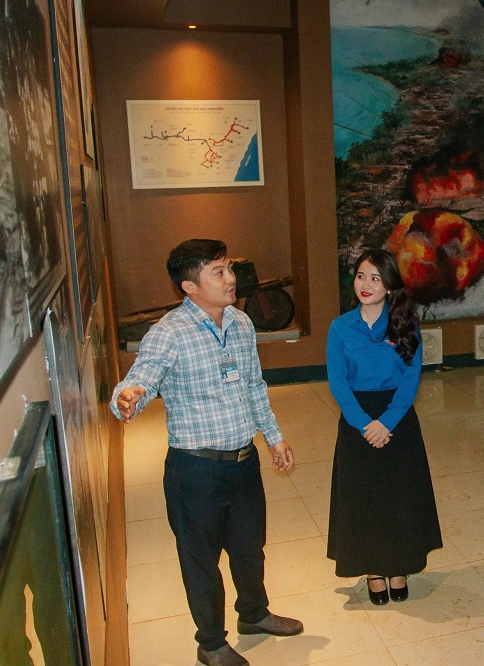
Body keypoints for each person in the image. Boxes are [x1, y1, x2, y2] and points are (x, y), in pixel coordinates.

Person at [110, 239, 302, 666]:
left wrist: (273, 437)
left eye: (228, 268)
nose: (231, 279)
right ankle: (211, 642)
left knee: (250, 548)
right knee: (201, 560)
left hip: (243, 461)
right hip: (195, 471)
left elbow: (254, 386)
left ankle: (254, 614)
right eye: (218, 271)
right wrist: (129, 396)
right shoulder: (169, 333)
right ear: (189, 286)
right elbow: (141, 377)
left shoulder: (241, 323)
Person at [325, 249, 442, 605]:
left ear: (390, 285)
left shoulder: (405, 324)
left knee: (398, 496)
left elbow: (411, 379)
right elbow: (338, 383)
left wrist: (386, 422)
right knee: (364, 497)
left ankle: (398, 566)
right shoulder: (340, 327)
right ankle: (373, 570)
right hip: (357, 419)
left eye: (376, 278)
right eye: (362, 276)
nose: (366, 284)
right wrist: (364, 424)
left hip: (397, 418)